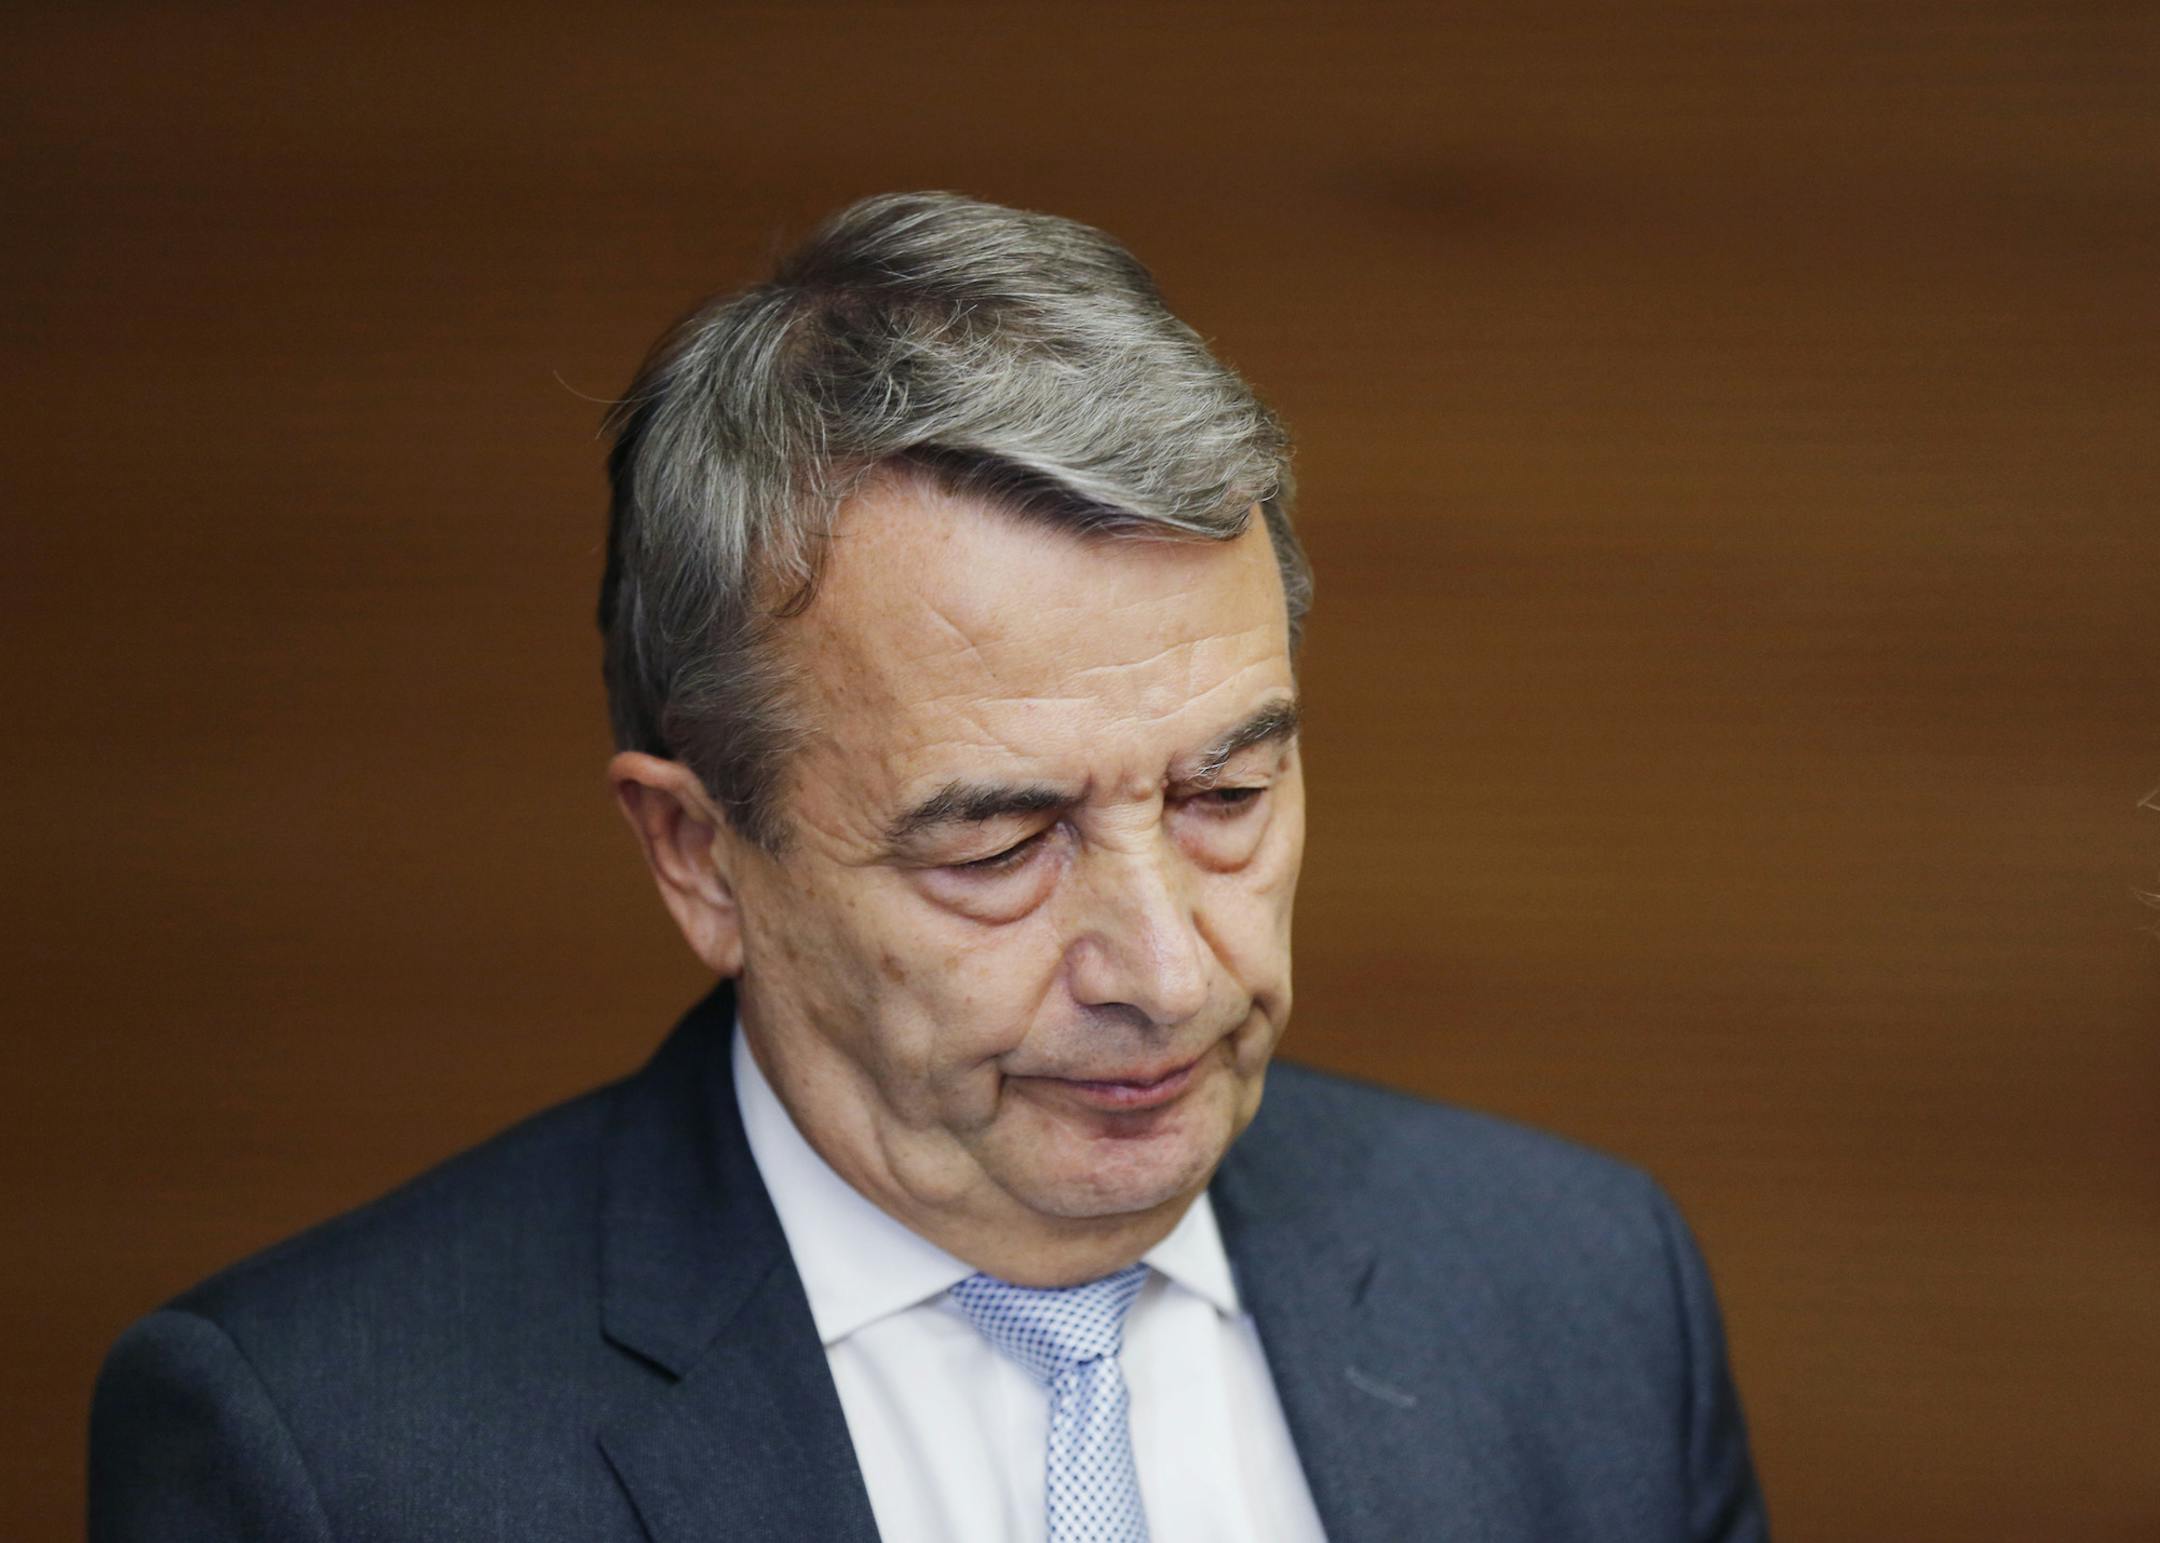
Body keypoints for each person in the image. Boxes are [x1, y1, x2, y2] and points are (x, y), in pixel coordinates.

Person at [90, 192, 1768, 1542]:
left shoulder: (1580, 1294)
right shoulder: (322, 1451)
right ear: (698, 854)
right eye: (998, 840)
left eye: (1226, 792)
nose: (1167, 972)